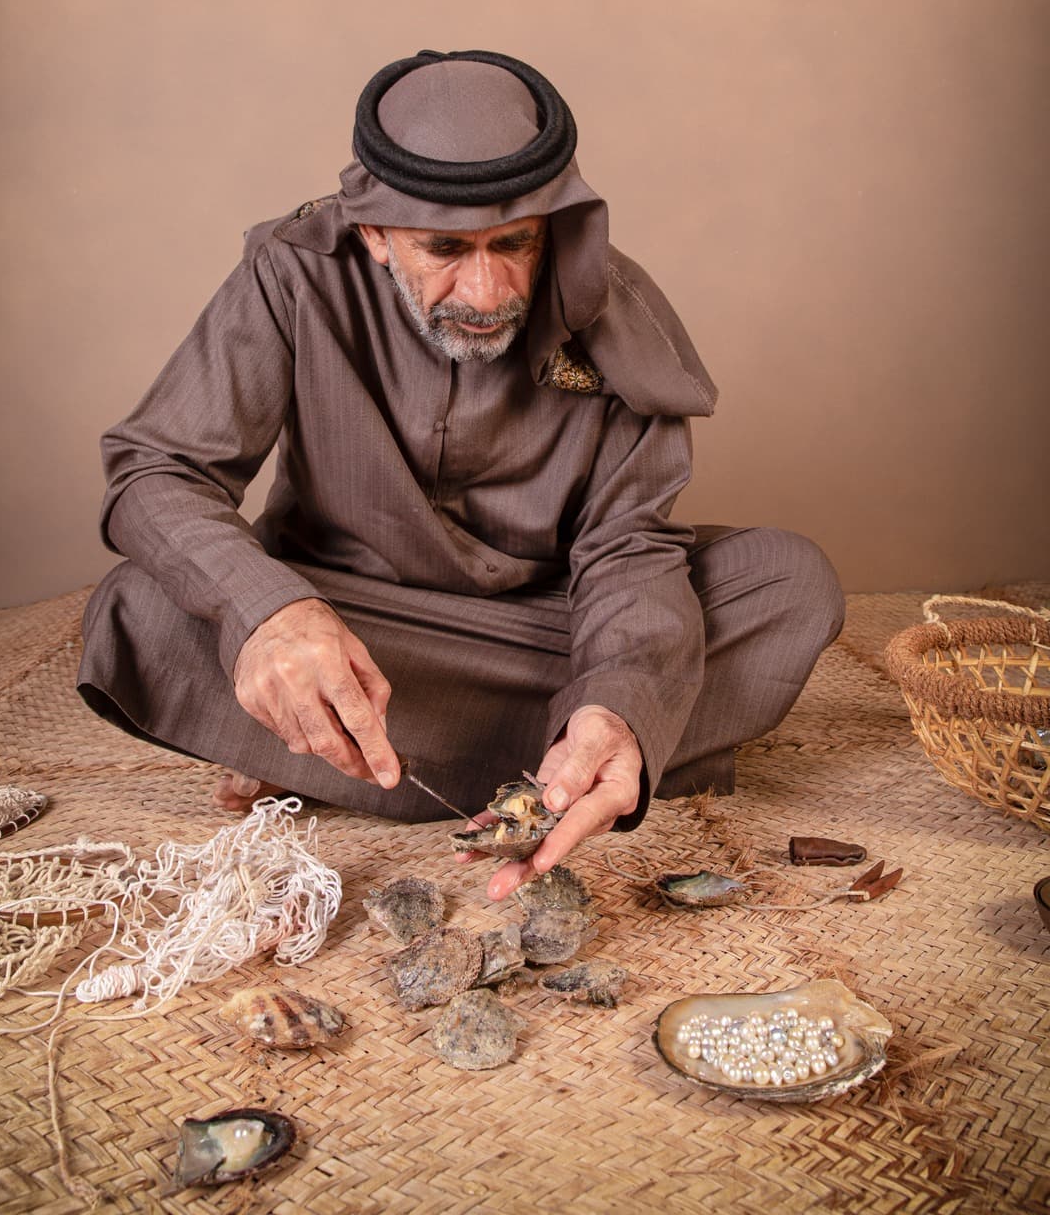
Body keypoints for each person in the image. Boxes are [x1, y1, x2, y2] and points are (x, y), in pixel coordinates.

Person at [79, 48, 844, 901]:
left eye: (513, 244)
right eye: (443, 248)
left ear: (549, 226)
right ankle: (570, 757)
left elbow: (629, 550)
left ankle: (407, 753)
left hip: (549, 625)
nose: (486, 293)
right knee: (140, 606)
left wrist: (617, 700)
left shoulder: (614, 310)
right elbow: (155, 470)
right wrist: (272, 615)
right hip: (358, 621)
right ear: (372, 233)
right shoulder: (290, 275)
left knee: (786, 584)